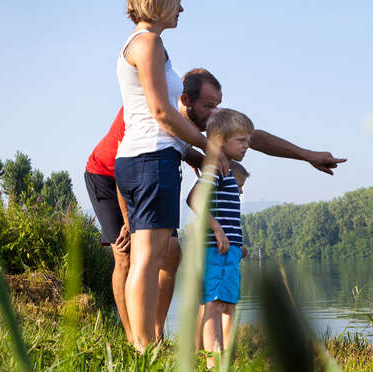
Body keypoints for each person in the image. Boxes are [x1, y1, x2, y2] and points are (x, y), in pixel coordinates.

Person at [85, 68, 347, 345]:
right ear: (185, 100)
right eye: (208, 106)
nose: (214, 113)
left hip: (156, 170)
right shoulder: (149, 106)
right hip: (108, 173)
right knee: (127, 254)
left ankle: (156, 335)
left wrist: (307, 156)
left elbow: (253, 137)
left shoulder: (203, 116)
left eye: (217, 105)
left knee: (171, 254)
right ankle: (132, 338)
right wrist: (129, 220)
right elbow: (124, 162)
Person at [112, 0, 225, 352]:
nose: (182, 8)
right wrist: (207, 146)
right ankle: (144, 345)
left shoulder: (140, 44)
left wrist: (189, 151)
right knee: (148, 257)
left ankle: (142, 342)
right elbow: (162, 113)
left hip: (138, 159)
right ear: (158, 2)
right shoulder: (148, 45)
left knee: (150, 256)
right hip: (151, 160)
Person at [187, 109, 253, 367]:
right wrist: (215, 228)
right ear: (219, 141)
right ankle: (212, 361)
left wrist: (238, 246)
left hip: (230, 251)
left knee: (229, 306)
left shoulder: (226, 171)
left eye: (248, 140)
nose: (247, 145)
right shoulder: (215, 169)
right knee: (214, 305)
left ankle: (226, 358)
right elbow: (194, 200)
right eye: (241, 140)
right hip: (215, 250)